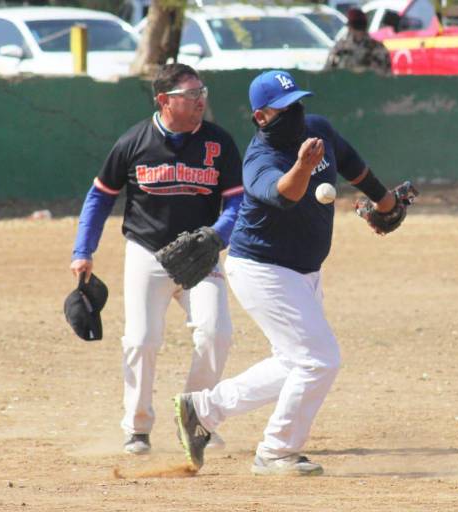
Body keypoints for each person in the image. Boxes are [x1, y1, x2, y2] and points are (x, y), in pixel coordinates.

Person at [174, 69, 407, 476]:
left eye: (298, 102)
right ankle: (276, 451)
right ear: (261, 117)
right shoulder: (260, 160)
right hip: (264, 270)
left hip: (303, 271)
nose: (297, 113)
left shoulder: (317, 130)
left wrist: (385, 203)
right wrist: (303, 166)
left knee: (292, 362)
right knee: (320, 360)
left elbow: (351, 163)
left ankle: (203, 410)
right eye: (284, 108)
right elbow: (285, 194)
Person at [70, 63, 244, 455]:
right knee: (142, 339)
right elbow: (99, 196)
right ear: (164, 101)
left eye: (203, 92)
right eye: (191, 95)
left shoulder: (219, 143)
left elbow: (236, 201)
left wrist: (218, 236)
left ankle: (196, 414)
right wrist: (83, 250)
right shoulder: (134, 142)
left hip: (202, 255)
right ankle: (137, 427)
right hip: (147, 252)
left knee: (217, 333)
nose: (201, 100)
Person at [325, 7, 392, 74]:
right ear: (366, 25)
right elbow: (387, 78)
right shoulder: (379, 48)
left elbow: (327, 74)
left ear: (350, 27)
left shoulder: (340, 48)